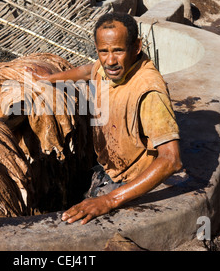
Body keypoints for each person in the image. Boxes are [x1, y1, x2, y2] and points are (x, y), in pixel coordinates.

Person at [32, 12, 182, 224]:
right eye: (104, 51)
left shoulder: (148, 91)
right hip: (108, 169)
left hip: (130, 183)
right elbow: (88, 70)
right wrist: (50, 79)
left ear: (137, 47)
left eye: (118, 51)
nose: (110, 60)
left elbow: (171, 160)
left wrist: (110, 200)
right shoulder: (108, 68)